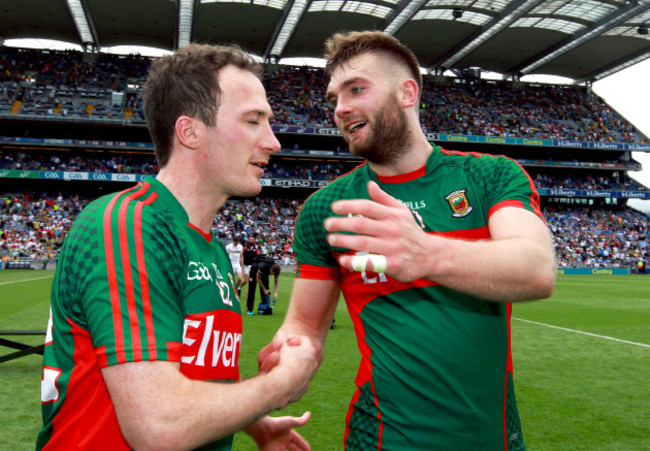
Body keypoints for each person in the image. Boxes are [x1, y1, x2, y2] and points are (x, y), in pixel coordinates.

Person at [259, 31, 556, 450]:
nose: (341, 108)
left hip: (493, 439)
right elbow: (305, 325)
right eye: (333, 100)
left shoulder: (490, 176)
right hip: (380, 439)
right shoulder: (327, 208)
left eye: (356, 89)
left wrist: (424, 253)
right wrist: (291, 351)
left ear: (407, 92)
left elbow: (537, 269)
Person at [37, 43, 319, 451]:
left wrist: (255, 422)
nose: (274, 141)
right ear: (190, 132)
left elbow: (186, 378)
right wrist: (279, 385)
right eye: (254, 121)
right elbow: (159, 426)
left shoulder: (213, 250)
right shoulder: (129, 225)